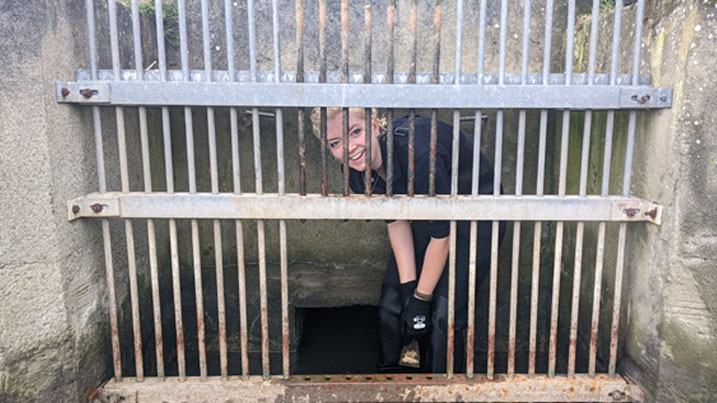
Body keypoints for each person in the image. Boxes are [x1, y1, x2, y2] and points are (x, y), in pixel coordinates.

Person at [310, 107, 505, 373]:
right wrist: (408, 289)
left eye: (355, 132)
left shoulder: (420, 156)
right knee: (393, 305)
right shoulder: (357, 173)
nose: (350, 147)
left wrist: (421, 299)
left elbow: (441, 235)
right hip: (429, 211)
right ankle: (392, 379)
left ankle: (444, 388)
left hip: (478, 214)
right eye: (336, 143)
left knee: (442, 317)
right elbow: (397, 222)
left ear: (375, 127)